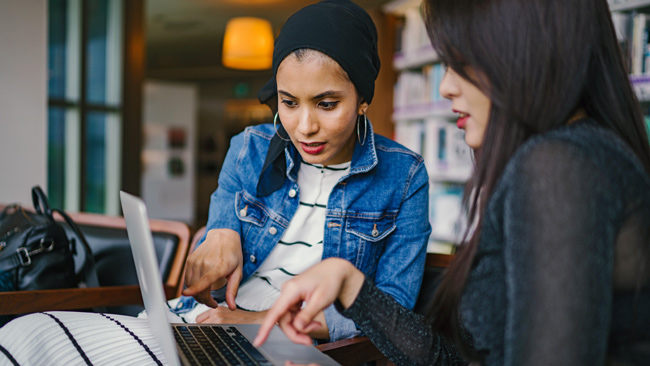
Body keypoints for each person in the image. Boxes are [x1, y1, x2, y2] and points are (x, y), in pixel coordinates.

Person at [0, 1, 430, 362]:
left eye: (327, 103)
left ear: (364, 100)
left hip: (282, 346)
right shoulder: (251, 146)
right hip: (198, 321)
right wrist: (218, 232)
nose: (304, 126)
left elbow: (389, 314)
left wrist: (262, 322)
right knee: (28, 333)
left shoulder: (404, 176)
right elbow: (219, 231)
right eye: (288, 102)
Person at [254, 0, 650, 365]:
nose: (445, 87)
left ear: (524, 49)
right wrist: (350, 285)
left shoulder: (560, 166)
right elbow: (458, 360)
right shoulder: (575, 156)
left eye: (460, 62)